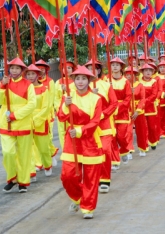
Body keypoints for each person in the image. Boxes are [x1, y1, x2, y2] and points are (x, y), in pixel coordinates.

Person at [58, 66, 104, 219]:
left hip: (90, 140)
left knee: (91, 178)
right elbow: (61, 117)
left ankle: (88, 207)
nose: (80, 81)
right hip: (71, 142)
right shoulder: (68, 97)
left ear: (89, 80)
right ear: (73, 80)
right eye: (77, 78)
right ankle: (78, 198)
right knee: (67, 176)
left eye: (84, 78)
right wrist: (66, 105)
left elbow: (96, 121)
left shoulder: (96, 98)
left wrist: (79, 131)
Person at [0, 58, 37, 193]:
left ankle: (23, 182)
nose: (14, 71)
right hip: (6, 123)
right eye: (12, 68)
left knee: (24, 154)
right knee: (8, 152)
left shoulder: (28, 85)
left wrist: (15, 115)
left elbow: (32, 104)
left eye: (17, 68)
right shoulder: (4, 83)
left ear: (22, 70)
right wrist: (2, 86)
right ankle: (12, 178)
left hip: (22, 122)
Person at [84, 60, 118, 194]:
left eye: (94, 69)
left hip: (104, 125)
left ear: (98, 71)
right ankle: (94, 178)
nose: (91, 71)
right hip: (88, 127)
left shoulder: (105, 85)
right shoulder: (80, 88)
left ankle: (105, 179)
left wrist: (102, 114)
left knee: (105, 150)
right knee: (92, 153)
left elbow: (114, 104)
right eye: (88, 68)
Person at [25, 65, 55, 182]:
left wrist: (36, 119)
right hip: (27, 121)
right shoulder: (25, 89)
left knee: (43, 148)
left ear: (38, 75)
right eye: (28, 74)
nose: (31, 76)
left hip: (41, 121)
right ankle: (31, 172)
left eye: (33, 74)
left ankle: (47, 164)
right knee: (29, 148)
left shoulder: (44, 89)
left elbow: (46, 107)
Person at [109, 58, 132, 165]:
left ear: (121, 67)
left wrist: (118, 108)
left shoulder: (126, 82)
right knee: (112, 137)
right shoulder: (107, 80)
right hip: (110, 113)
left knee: (121, 136)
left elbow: (128, 98)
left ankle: (124, 151)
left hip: (122, 112)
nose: (115, 67)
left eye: (117, 65)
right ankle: (114, 161)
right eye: (113, 65)